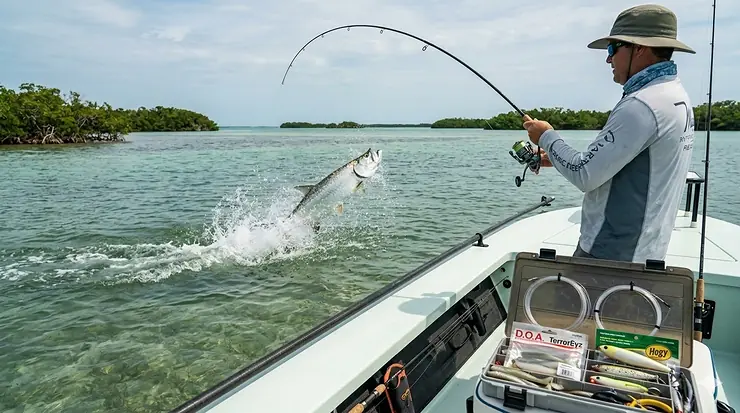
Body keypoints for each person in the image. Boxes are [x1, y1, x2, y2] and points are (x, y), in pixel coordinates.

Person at [522, 4, 696, 263]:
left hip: (612, 256)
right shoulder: (674, 95)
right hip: (646, 251)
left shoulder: (642, 105)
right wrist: (555, 157)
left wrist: (546, 135)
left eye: (612, 48)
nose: (608, 58)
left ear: (639, 49)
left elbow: (585, 174)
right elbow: (630, 165)